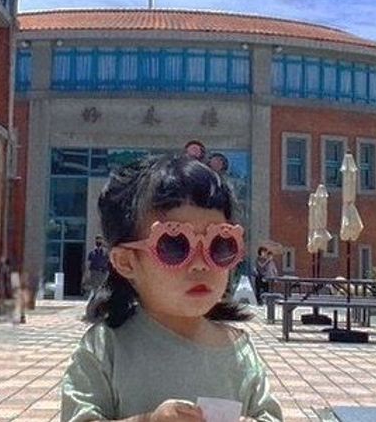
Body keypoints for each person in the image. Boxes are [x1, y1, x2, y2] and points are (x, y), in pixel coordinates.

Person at [62, 154, 283, 422]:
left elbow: (268, 415)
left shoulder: (240, 351)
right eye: (175, 245)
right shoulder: (105, 348)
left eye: (220, 245)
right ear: (126, 262)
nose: (201, 265)